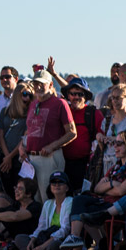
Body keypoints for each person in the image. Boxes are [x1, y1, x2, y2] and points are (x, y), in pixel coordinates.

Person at [20, 68, 76, 202]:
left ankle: (53, 224)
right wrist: (21, 147)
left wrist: (52, 146)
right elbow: (30, 130)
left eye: (42, 83)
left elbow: (72, 132)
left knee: (48, 199)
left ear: (50, 85)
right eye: (35, 83)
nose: (38, 86)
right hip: (31, 159)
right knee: (33, 199)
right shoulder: (34, 104)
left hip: (49, 157)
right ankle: (40, 224)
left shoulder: (59, 103)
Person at [21, 171, 74, 250]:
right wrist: (32, 240)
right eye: (53, 183)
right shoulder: (47, 204)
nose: (57, 185)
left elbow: (65, 230)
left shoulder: (70, 202)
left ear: (67, 187)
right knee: (20, 238)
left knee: (55, 245)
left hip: (61, 240)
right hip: (46, 238)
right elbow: (41, 226)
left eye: (60, 182)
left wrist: (43, 246)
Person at [61, 78, 101, 191]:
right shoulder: (62, 111)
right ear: (68, 95)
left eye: (80, 94)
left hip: (85, 165)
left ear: (86, 96)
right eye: (73, 94)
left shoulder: (93, 113)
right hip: (62, 163)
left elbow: (103, 135)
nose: (76, 97)